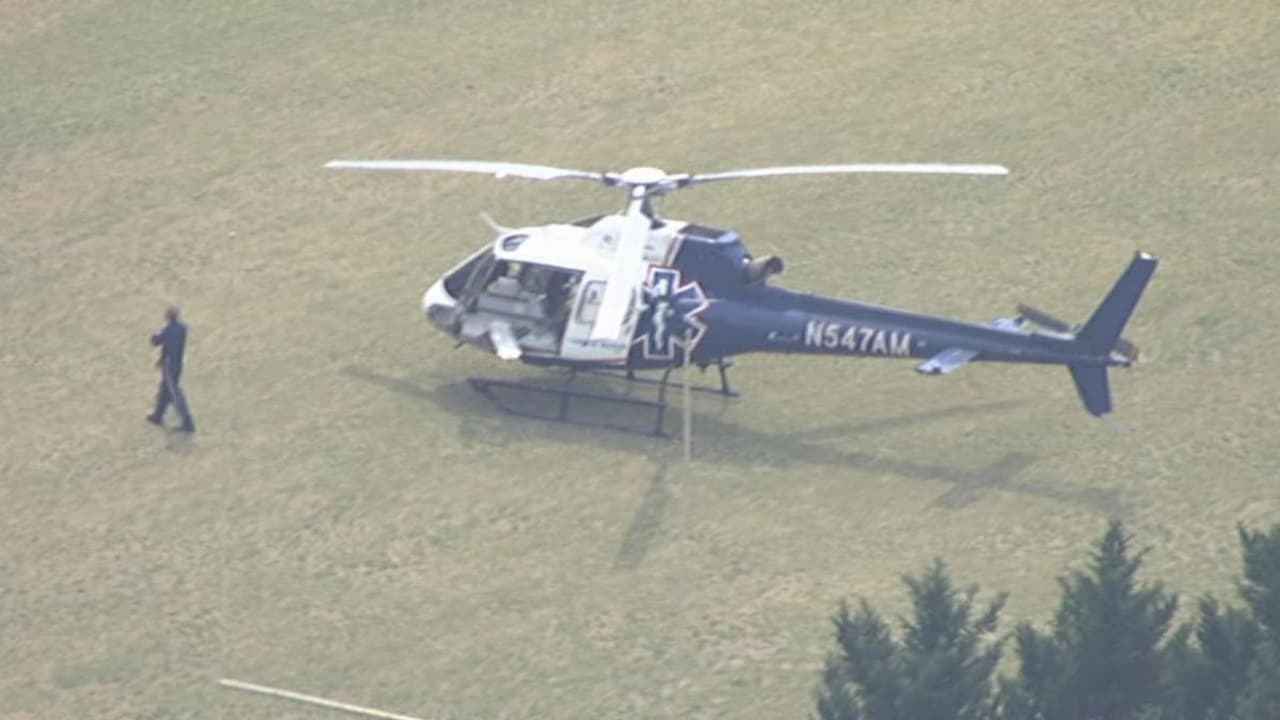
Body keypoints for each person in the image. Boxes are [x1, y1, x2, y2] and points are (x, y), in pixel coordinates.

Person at [146, 306, 195, 433]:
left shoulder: (168, 330)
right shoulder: (182, 329)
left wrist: (153, 336)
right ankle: (158, 415)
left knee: (174, 394)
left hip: (169, 366)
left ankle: (187, 423)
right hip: (177, 364)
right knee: (165, 390)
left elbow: (156, 341)